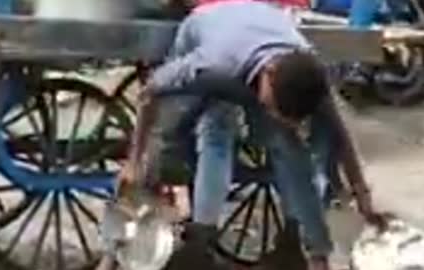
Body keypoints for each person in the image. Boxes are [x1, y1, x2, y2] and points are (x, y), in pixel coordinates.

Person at [98, 1, 387, 270]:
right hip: (207, 26)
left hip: (262, 23)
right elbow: (150, 93)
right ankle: (202, 237)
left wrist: (362, 193)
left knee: (288, 146)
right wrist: (135, 160)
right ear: (269, 76)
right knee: (215, 126)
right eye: (272, 107)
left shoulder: (307, 70)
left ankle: (305, 244)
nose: (271, 113)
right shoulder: (211, 64)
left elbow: (340, 133)